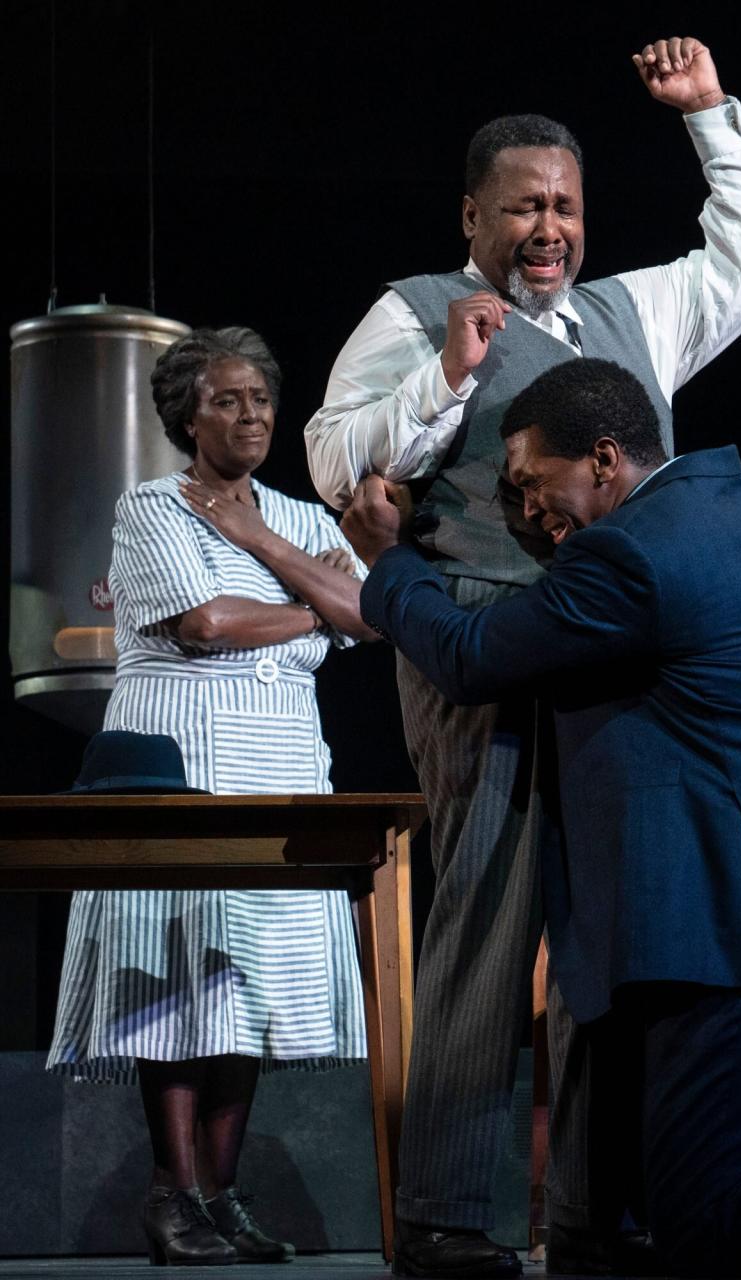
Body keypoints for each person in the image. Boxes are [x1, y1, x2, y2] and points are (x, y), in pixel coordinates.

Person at [306, 33, 741, 1277]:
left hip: (609, 646)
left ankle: (591, 1205)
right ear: (473, 213)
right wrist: (446, 381)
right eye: (523, 203)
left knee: (601, 928)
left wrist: (705, 116)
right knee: (489, 905)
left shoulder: (632, 313)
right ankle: (452, 1214)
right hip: (473, 638)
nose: (548, 224)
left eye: (566, 204)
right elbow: (328, 456)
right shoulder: (417, 311)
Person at [340, 357, 741, 1277]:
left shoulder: (626, 557)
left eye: (530, 484)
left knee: (714, 1221)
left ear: (601, 459)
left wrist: (388, 564)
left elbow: (471, 656)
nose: (525, 511)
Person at [47, 326, 374, 1267]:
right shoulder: (153, 507)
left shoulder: (302, 519)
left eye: (262, 398)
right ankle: (170, 1192)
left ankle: (220, 1198)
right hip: (185, 754)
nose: (251, 414)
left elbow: (374, 615)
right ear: (187, 415)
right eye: (227, 399)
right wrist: (318, 609)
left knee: (253, 982)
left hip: (281, 759)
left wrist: (263, 541)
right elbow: (206, 623)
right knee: (181, 973)